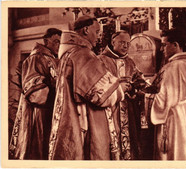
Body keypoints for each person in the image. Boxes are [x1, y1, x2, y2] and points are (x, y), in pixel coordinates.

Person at [48, 16, 130, 160]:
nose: (99, 36)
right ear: (86, 30)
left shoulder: (68, 53)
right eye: (97, 31)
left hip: (70, 117)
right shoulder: (83, 54)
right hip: (85, 120)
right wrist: (121, 88)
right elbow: (99, 94)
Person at [9, 28, 62, 159]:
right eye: (56, 42)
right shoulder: (36, 58)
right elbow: (33, 90)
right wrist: (53, 88)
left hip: (49, 109)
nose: (59, 46)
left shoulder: (52, 58)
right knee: (37, 146)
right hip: (38, 111)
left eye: (60, 43)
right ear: (46, 41)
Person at [149, 28, 186, 160]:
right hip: (184, 112)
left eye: (164, 45)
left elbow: (164, 98)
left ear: (175, 45)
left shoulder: (174, 67)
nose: (162, 49)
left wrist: (145, 96)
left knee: (173, 153)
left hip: (172, 115)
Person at [98, 30, 147, 159]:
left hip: (128, 109)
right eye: (122, 43)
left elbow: (140, 81)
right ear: (113, 42)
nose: (125, 46)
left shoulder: (130, 62)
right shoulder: (101, 60)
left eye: (128, 43)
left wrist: (133, 87)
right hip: (109, 108)